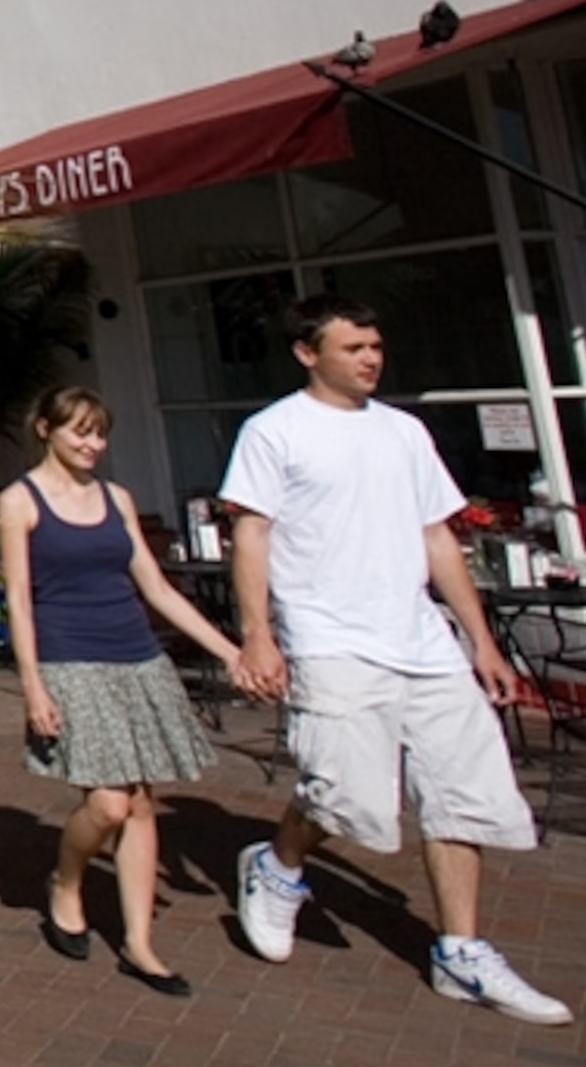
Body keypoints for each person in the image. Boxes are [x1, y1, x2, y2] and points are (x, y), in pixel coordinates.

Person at [222, 294, 568, 1023]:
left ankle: (460, 951)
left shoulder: (405, 433)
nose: (371, 358)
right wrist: (259, 635)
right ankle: (278, 867)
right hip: (328, 635)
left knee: (464, 791)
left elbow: (438, 538)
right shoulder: (273, 432)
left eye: (375, 346)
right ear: (308, 353)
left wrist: (479, 640)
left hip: (421, 639)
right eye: (354, 348)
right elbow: (251, 534)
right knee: (343, 795)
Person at [0, 386, 240, 996]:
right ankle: (67, 881)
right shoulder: (19, 501)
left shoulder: (117, 499)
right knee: (107, 802)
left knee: (139, 802)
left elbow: (156, 589)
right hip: (69, 660)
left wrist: (230, 651)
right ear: (46, 428)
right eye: (79, 430)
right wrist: (32, 685)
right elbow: (20, 598)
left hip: (136, 657)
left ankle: (139, 943)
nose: (91, 444)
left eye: (100, 433)